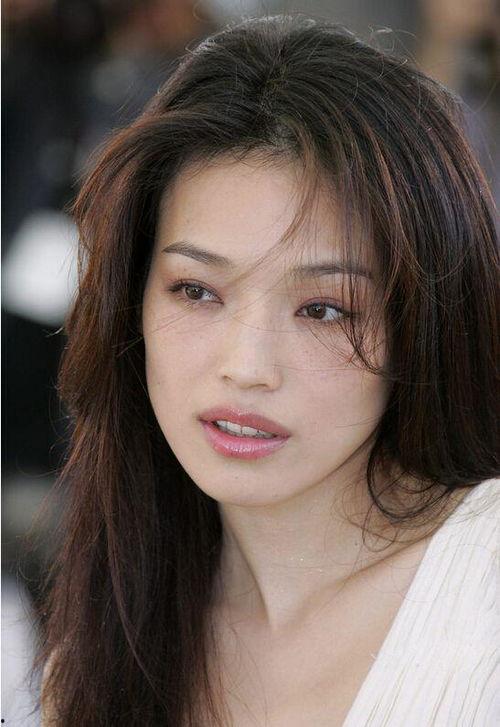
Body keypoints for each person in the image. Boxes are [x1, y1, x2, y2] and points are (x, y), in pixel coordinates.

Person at [35, 14, 499, 727]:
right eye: (196, 291)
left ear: (421, 326)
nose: (246, 368)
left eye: (324, 309)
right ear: (131, 303)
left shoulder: (483, 589)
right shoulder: (96, 654)